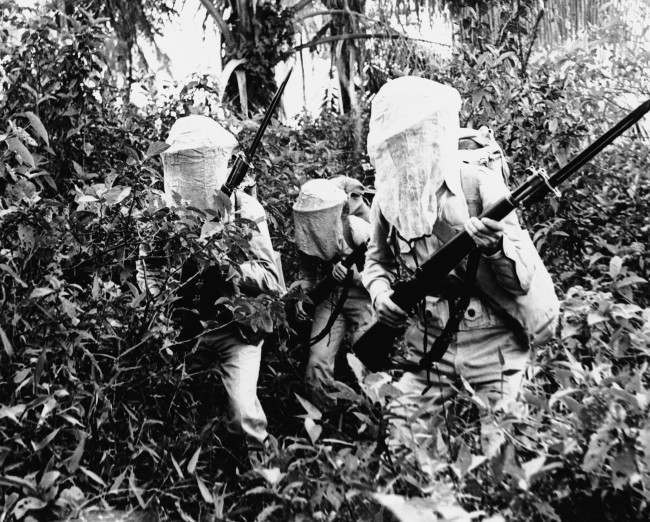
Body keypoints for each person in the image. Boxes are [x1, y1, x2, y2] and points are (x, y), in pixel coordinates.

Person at [361, 77, 559, 416]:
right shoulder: (387, 199)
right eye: (399, 141)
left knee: (503, 450)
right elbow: (375, 263)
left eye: (416, 137)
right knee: (403, 442)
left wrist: (495, 249)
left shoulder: (479, 184)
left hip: (492, 336)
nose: (408, 148)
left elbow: (519, 282)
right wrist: (380, 296)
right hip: (426, 338)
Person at [154, 114, 284, 453]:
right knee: (177, 413)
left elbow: (273, 281)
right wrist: (162, 311)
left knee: (243, 415)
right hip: (184, 329)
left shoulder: (245, 209)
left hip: (236, 330)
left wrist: (229, 265)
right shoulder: (166, 212)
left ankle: (263, 477)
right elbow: (148, 271)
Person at [293, 178, 373, 408]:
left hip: (364, 298)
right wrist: (303, 296)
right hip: (331, 297)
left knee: (367, 356)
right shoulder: (307, 237)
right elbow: (307, 274)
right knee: (317, 359)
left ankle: (373, 420)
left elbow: (385, 274)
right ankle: (323, 418)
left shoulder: (358, 230)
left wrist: (355, 277)